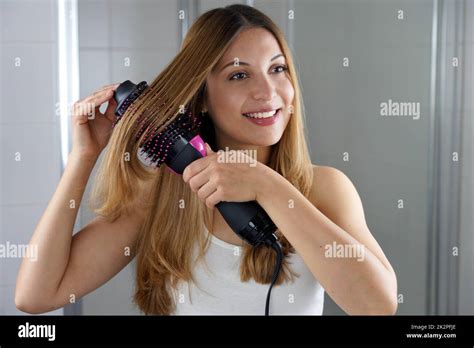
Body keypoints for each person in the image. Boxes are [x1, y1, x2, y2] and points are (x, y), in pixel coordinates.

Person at [15, 4, 397, 315]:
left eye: (277, 69)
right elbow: (37, 296)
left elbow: (378, 307)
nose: (267, 91)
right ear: (201, 97)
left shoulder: (323, 189)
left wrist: (267, 185)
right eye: (238, 75)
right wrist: (83, 157)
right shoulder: (163, 196)